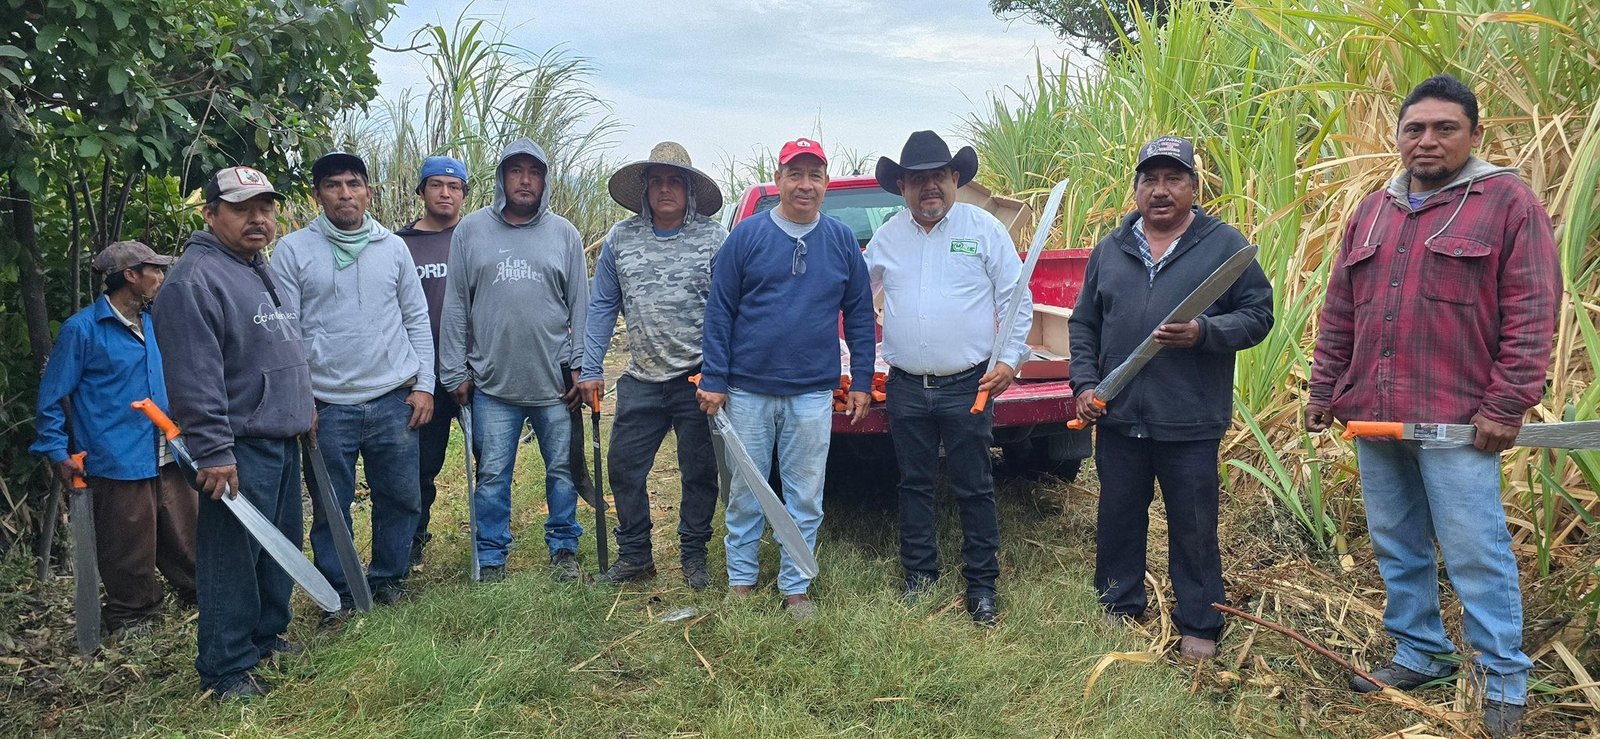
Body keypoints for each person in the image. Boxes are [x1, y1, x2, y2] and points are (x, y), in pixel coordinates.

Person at [1306, 75, 1559, 738]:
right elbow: (1340, 310)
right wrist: (1322, 386)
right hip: (1375, 415)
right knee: (1398, 544)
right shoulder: (1374, 210)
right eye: (1414, 128)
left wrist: (1507, 404)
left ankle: (1503, 678)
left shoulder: (1506, 203)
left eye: (1444, 128)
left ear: (1475, 134)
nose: (1427, 141)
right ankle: (1420, 652)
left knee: (1477, 551)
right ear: (1397, 136)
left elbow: (1534, 313)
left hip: (1458, 422)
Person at [1068, 136, 1273, 661]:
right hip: (1117, 414)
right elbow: (1084, 324)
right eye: (1149, 180)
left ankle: (1200, 623)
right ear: (1135, 188)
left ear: (1193, 186)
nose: (1160, 191)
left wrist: (1204, 331)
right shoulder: (1109, 251)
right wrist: (1084, 385)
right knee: (1117, 516)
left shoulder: (1225, 247)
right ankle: (1118, 604)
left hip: (1189, 417)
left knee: (1194, 524)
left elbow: (1257, 315)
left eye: (1173, 179)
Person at [151, 166, 315, 700]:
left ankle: (265, 638)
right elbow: (196, 378)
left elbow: (280, 351)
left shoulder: (254, 267)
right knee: (233, 556)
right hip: (237, 447)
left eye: (265, 208)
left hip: (279, 437)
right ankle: (225, 667)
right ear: (211, 214)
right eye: (243, 208)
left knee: (277, 546)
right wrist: (215, 451)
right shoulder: (194, 280)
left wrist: (302, 406)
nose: (258, 219)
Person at [697, 137, 875, 621]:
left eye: (814, 175)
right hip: (746, 388)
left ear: (825, 183)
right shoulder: (748, 237)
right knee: (746, 490)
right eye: (795, 174)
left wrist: (860, 379)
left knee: (804, 492)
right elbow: (720, 311)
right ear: (778, 182)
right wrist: (713, 377)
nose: (805, 184)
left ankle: (797, 586)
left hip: (812, 393)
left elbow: (859, 314)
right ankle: (741, 581)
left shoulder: (839, 240)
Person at [864, 130, 1031, 626]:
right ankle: (919, 577)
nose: (929, 188)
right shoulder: (887, 237)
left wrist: (1009, 360)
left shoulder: (983, 230)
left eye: (938, 176)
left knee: (974, 485)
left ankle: (981, 586)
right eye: (917, 180)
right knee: (913, 483)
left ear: (955, 178)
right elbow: (853, 297)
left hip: (969, 384)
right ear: (903, 187)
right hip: (906, 386)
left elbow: (1014, 297)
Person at [271, 151, 433, 618]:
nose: (345, 193)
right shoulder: (294, 251)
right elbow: (286, 334)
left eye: (354, 184)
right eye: (333, 185)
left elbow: (416, 319)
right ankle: (339, 593)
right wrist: (303, 403)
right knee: (330, 506)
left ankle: (388, 579)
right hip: (328, 405)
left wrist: (424, 385)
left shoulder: (393, 247)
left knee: (401, 497)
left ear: (368, 191)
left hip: (392, 400)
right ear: (317, 195)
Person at [439, 138, 589, 583]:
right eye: (516, 170)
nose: (525, 180)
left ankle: (564, 547)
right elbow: (455, 307)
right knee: (491, 475)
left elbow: (581, 307)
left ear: (545, 179)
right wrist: (453, 371)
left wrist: (582, 367)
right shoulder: (470, 231)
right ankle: (490, 555)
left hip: (555, 385)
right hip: (492, 384)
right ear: (501, 178)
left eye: (535, 172)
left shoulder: (565, 234)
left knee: (563, 471)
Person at [579, 142, 727, 589]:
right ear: (644, 189)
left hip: (697, 378)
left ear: (690, 190)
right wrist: (590, 368)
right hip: (641, 377)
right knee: (624, 468)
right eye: (657, 181)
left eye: (675, 181)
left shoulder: (713, 238)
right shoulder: (621, 240)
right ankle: (635, 556)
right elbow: (603, 305)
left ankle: (694, 555)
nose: (666, 189)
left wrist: (720, 374)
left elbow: (727, 310)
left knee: (699, 471)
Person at [32, 240, 197, 637]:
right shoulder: (83, 330)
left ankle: (198, 594)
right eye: (154, 270)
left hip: (169, 449)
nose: (161, 277)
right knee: (128, 546)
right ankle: (133, 616)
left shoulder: (156, 322)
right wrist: (58, 451)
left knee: (186, 532)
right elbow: (53, 397)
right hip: (118, 456)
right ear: (130, 276)